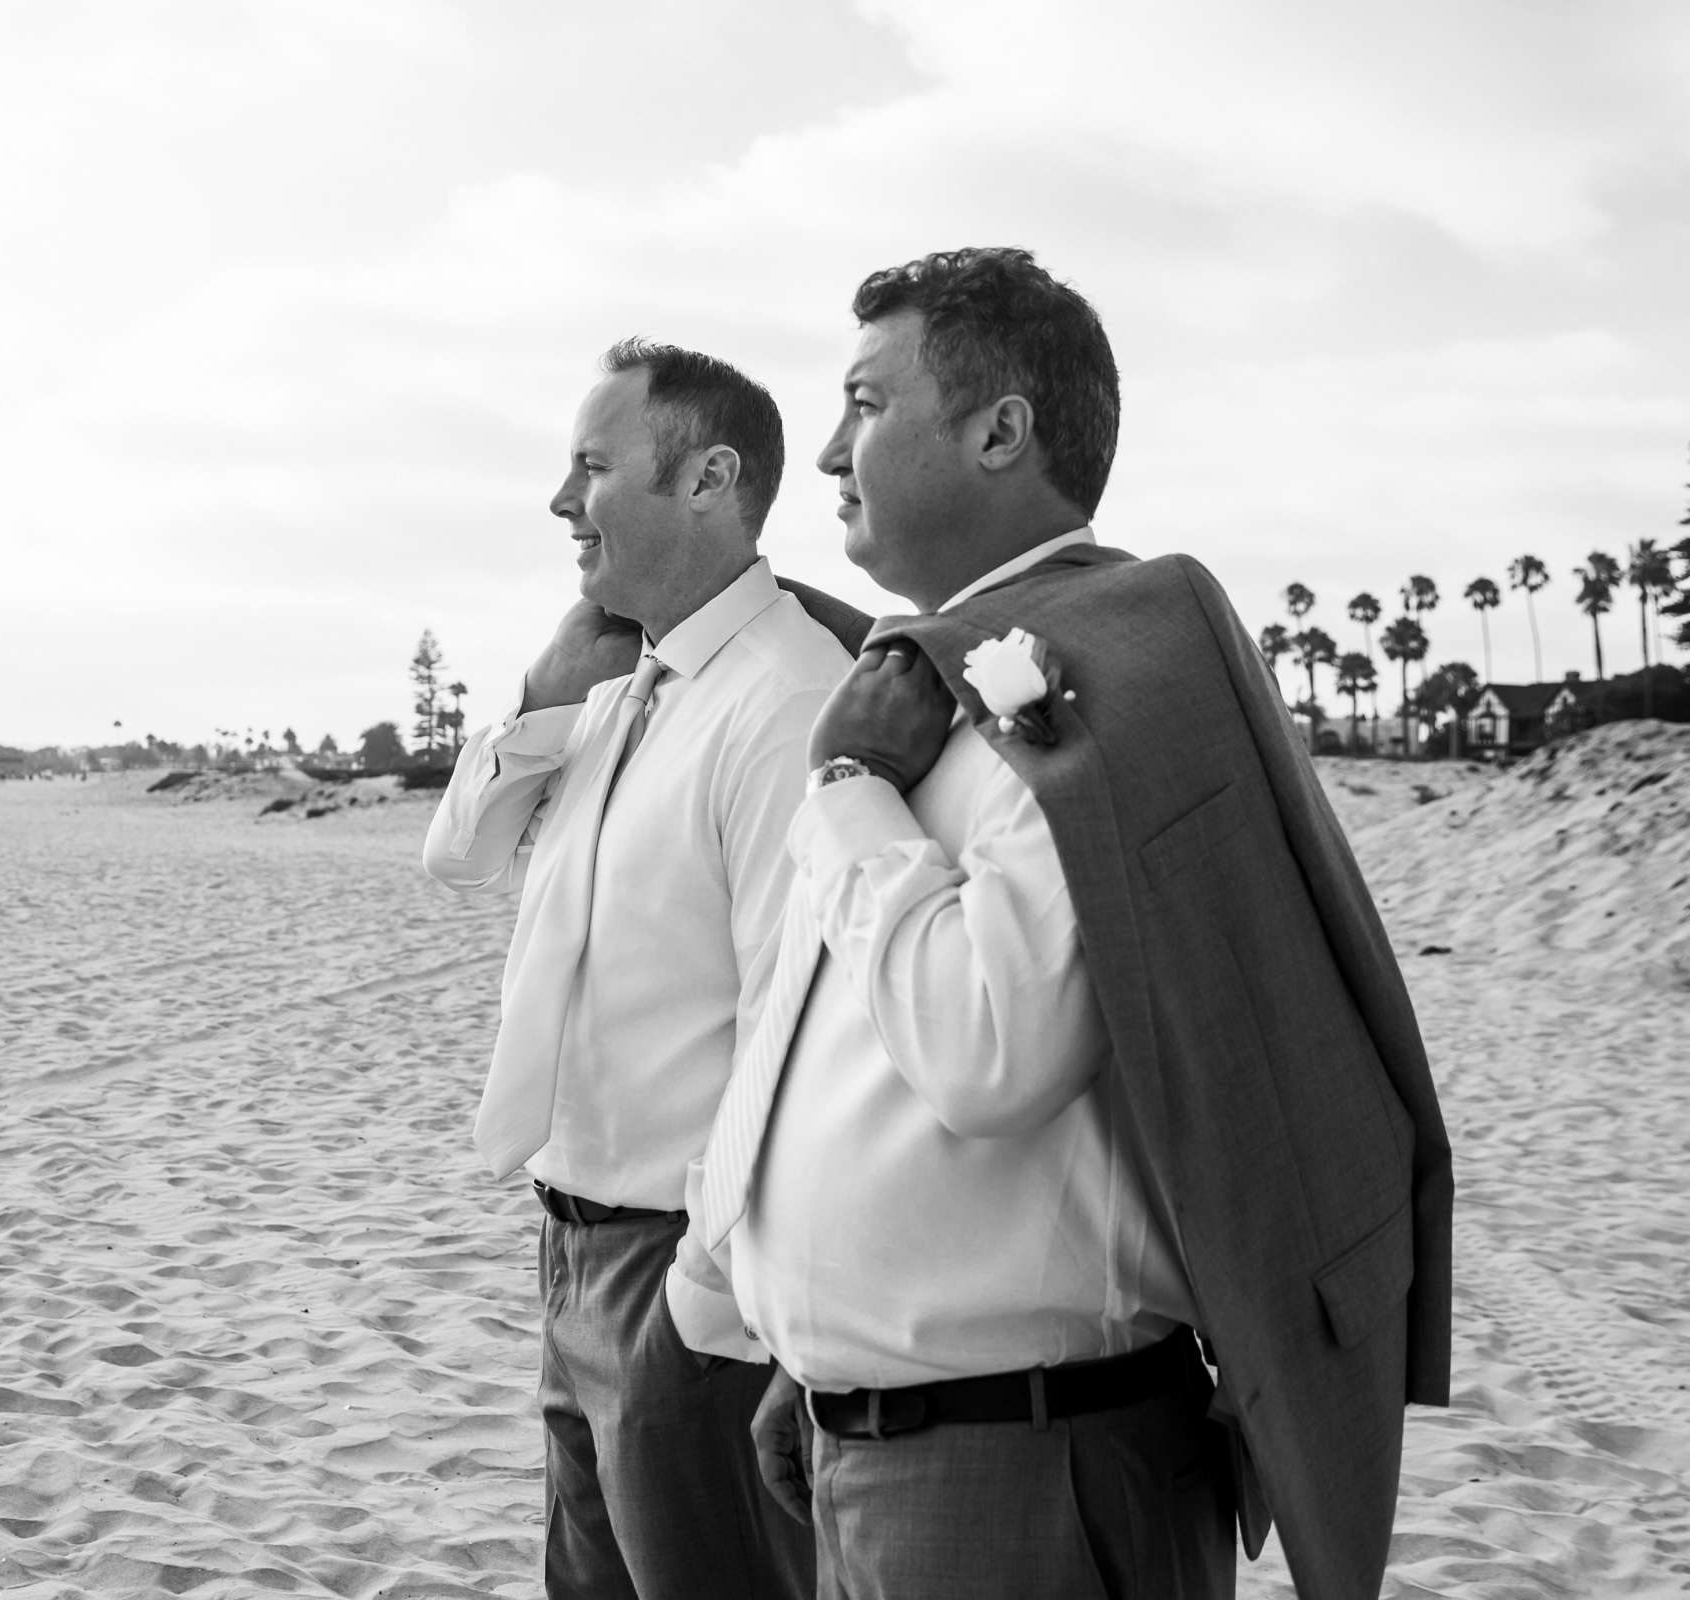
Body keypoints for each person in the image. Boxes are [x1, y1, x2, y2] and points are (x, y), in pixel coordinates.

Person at [678, 247, 1453, 1600]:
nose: (829, 455)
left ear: (997, 429)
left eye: (867, 403)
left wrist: (853, 790)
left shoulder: (1095, 679)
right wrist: (813, 1353)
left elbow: (988, 1053)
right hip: (886, 1441)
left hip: (1026, 1471)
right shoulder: (924, 681)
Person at [423, 339, 857, 1600]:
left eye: (594, 467)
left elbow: (801, 1037)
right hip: (562, 1248)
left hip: (687, 1271)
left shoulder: (788, 704)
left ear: (711, 479)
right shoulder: (617, 692)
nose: (563, 503)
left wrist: (708, 1302)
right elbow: (458, 854)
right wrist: (545, 688)